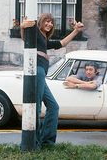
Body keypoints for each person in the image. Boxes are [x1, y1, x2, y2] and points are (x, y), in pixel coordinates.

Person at [20, 13, 84, 148]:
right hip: (36, 72)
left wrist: (76, 31)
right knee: (35, 108)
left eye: (51, 22)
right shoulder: (35, 32)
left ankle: (47, 142)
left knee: (53, 107)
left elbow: (62, 43)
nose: (49, 24)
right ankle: (33, 143)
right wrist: (22, 26)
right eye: (47, 21)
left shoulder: (43, 39)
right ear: (41, 22)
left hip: (41, 74)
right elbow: (25, 35)